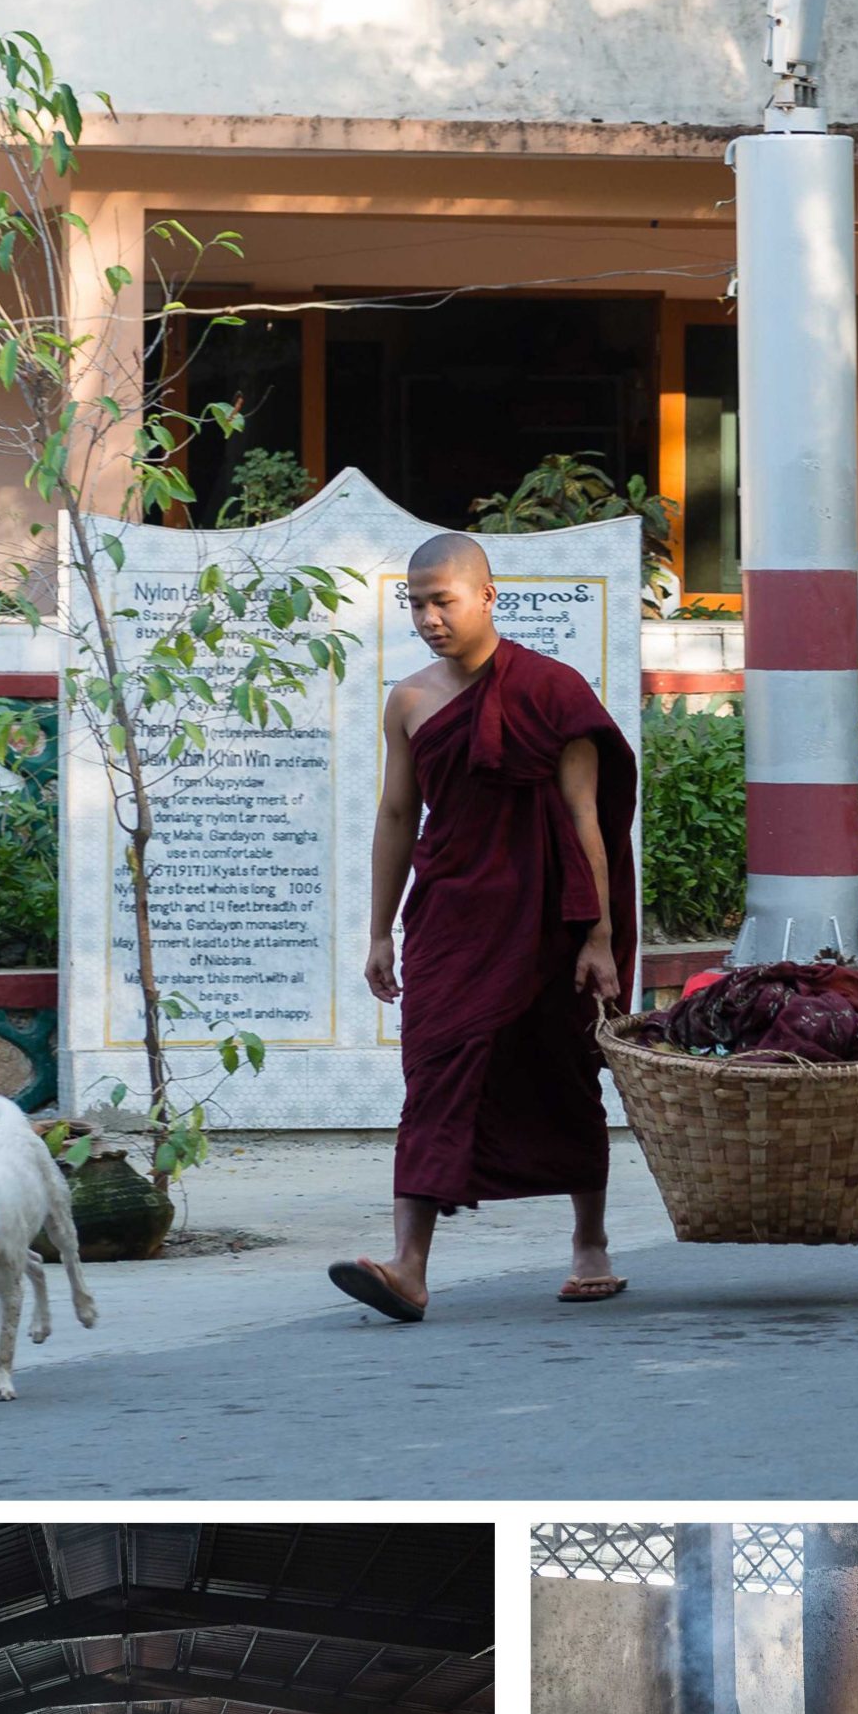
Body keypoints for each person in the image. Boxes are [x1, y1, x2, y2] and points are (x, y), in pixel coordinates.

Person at [329, 533, 639, 1322]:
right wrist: (378, 930)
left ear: (488, 596)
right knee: (432, 1072)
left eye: (445, 601)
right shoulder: (409, 701)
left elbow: (585, 818)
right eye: (417, 604)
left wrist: (599, 936)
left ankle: (590, 1243)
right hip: (451, 914)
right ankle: (409, 1266)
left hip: (545, 917)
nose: (430, 618)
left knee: (565, 1069)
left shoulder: (551, 689)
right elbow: (397, 815)